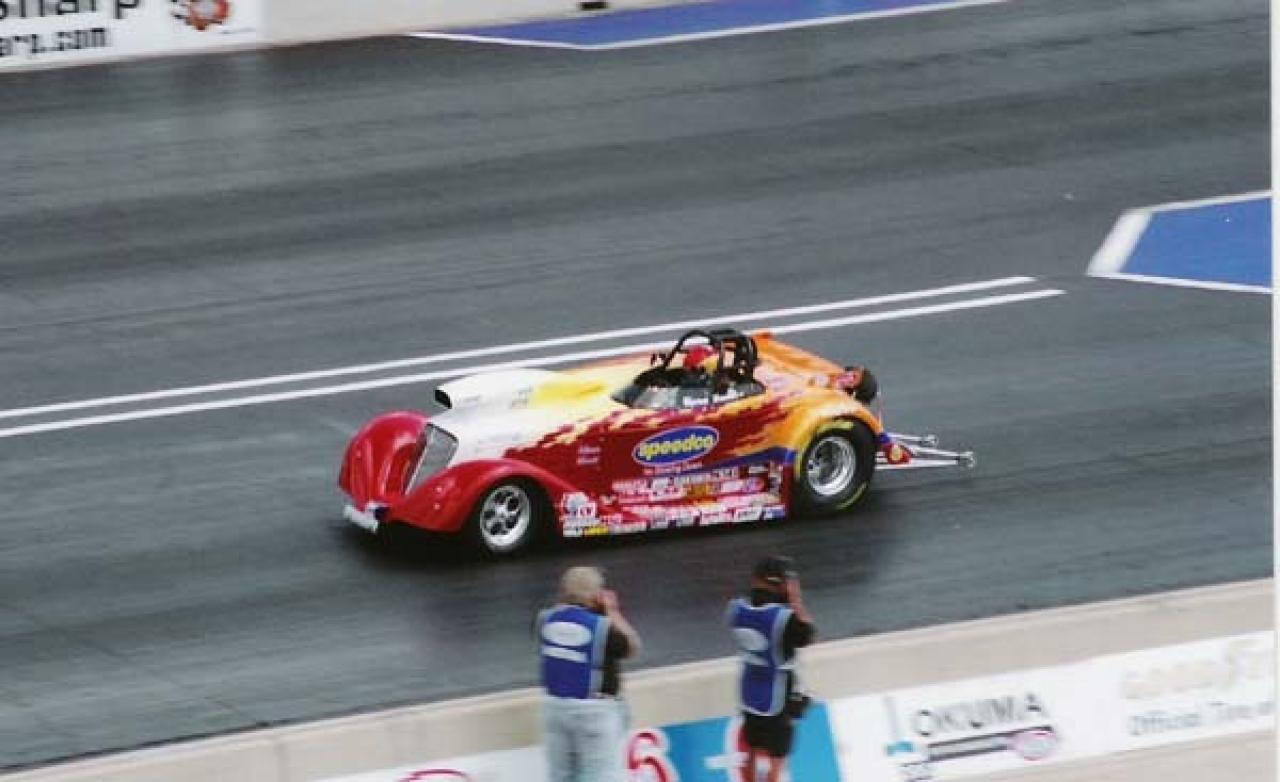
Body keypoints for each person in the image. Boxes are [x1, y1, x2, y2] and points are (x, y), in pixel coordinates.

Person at [537, 566, 642, 782]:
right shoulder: (602, 627)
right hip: (595, 711)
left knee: (561, 776)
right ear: (597, 596)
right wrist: (612, 612)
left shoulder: (545, 620)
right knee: (600, 775)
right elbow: (631, 647)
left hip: (555, 708)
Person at [727, 555, 816, 782]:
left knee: (752, 748)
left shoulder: (736, 610)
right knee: (777, 762)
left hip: (749, 692)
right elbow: (807, 634)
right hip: (777, 698)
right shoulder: (783, 619)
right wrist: (796, 601)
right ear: (781, 584)